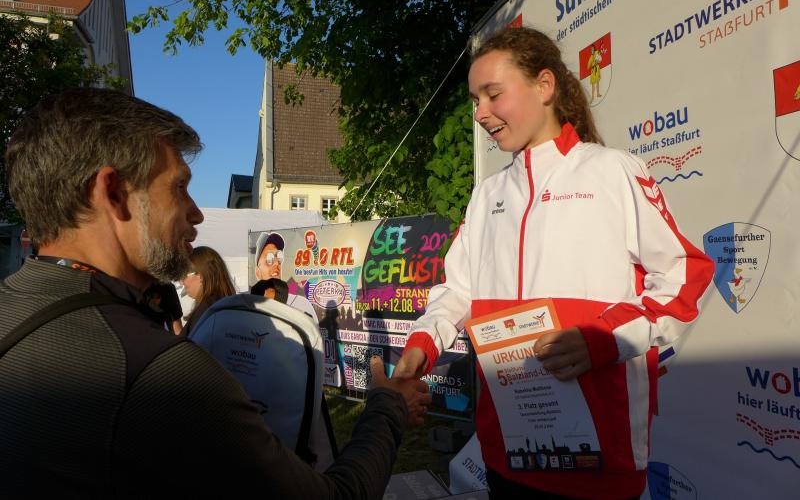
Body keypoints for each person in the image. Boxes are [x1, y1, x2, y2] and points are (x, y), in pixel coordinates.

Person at [0, 88, 431, 496]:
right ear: (113, 193)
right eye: (179, 187)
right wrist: (387, 407)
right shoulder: (163, 376)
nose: (196, 213)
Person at [393, 27, 714, 500]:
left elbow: (685, 279)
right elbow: (458, 290)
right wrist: (423, 343)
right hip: (507, 455)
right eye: (475, 100)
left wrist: (603, 340)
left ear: (544, 86)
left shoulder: (612, 171)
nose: (479, 113)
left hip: (598, 464)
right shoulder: (488, 194)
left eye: (493, 95)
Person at [254, 231, 318, 322]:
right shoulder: (249, 308)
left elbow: (315, 331)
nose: (276, 263)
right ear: (258, 272)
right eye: (269, 258)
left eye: (279, 257)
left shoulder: (302, 305)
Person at [181, 245, 235, 334]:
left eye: (184, 275)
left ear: (201, 276)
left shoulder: (206, 314)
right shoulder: (226, 306)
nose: (182, 282)